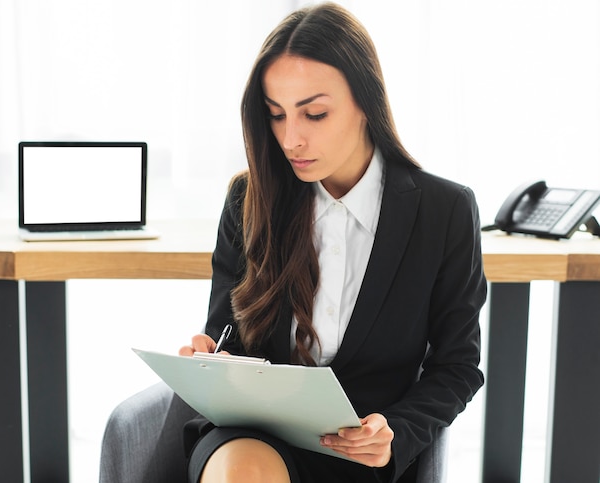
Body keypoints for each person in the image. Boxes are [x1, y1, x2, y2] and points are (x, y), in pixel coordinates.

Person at [178, 2, 486, 482]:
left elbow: (458, 365)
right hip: (253, 434)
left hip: (359, 445)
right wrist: (211, 363)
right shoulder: (249, 199)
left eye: (314, 114)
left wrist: (396, 431)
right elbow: (226, 335)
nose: (290, 139)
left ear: (366, 101)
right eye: (276, 115)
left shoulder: (444, 211)